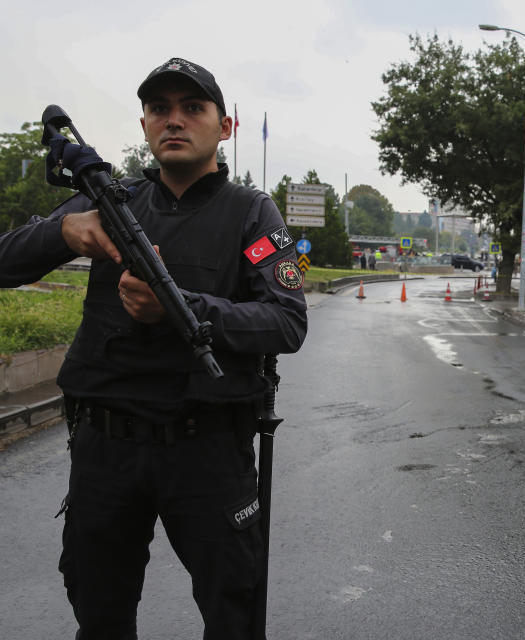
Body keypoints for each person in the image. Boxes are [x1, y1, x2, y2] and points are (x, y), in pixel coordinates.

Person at [0, 57, 307, 638]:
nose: (174, 120)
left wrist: (184, 310)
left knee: (233, 612)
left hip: (207, 450)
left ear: (224, 128)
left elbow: (286, 322)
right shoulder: (108, 202)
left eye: (193, 108)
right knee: (99, 612)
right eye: (159, 109)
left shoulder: (252, 213)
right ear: (144, 124)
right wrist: (62, 232)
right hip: (105, 448)